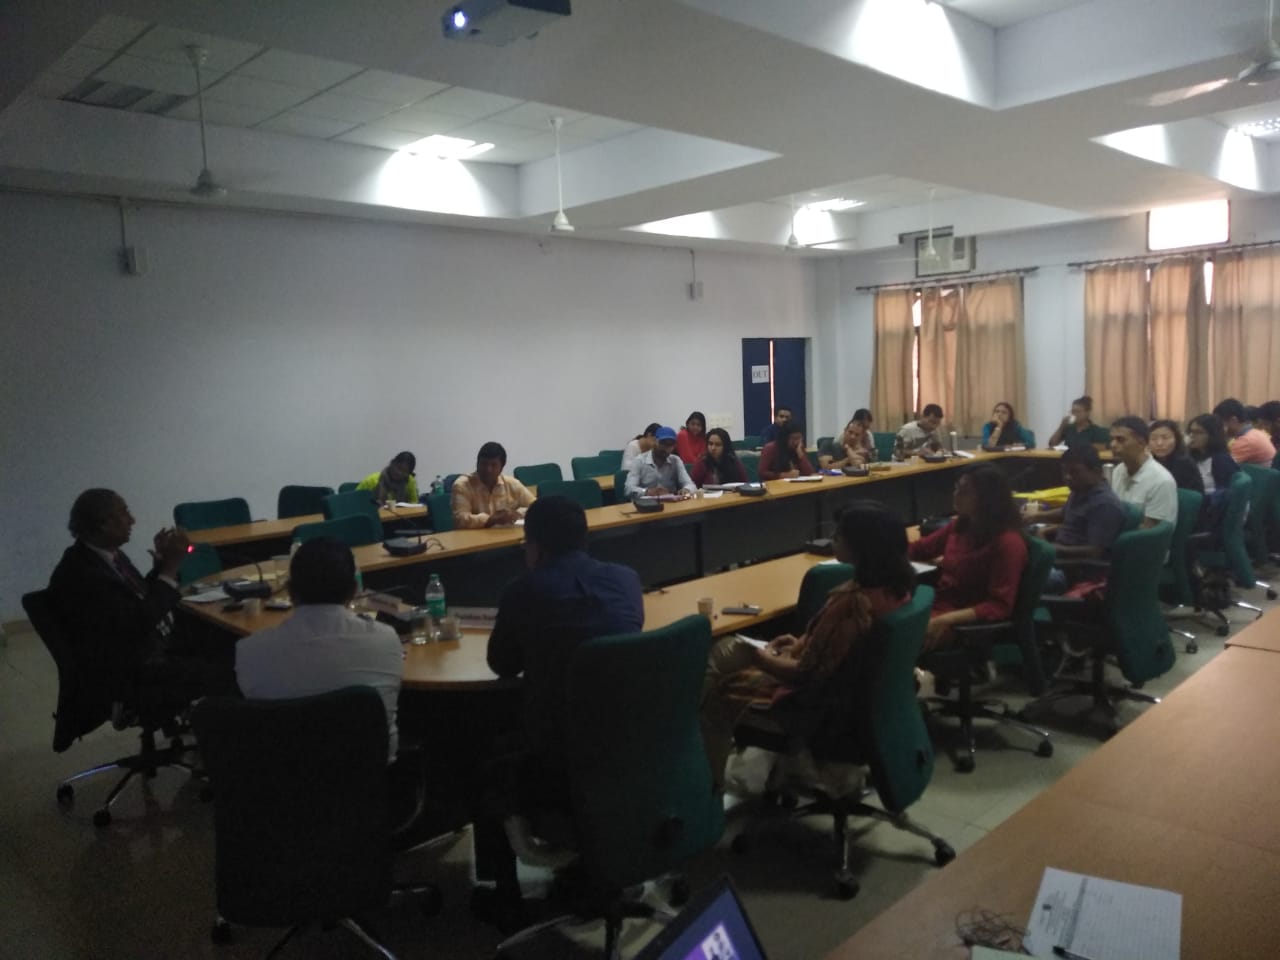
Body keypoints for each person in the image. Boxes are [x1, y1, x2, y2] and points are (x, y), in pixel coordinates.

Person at [480, 496, 644, 921]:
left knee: (483, 747)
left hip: (559, 762)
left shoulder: (522, 590)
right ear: (585, 538)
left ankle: (504, 897)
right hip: (631, 747)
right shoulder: (627, 580)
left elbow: (502, 664)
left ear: (533, 546)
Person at [700, 502, 914, 791]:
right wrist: (801, 642)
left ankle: (709, 791)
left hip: (813, 707)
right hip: (858, 699)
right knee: (727, 652)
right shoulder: (895, 589)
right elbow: (835, 649)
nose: (833, 538)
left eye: (840, 534)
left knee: (717, 687)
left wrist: (758, 657)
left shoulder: (851, 603)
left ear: (862, 547)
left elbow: (804, 673)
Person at [47, 489, 233, 710]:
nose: (132, 520)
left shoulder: (106, 555)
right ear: (104, 523)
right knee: (230, 670)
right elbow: (140, 622)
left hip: (151, 646)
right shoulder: (83, 573)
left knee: (230, 642)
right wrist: (171, 566)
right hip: (132, 668)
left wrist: (162, 567)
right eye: (124, 513)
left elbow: (137, 599)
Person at [235, 538, 403, 761]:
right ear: (354, 590)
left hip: (282, 771)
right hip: (367, 770)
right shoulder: (386, 640)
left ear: (290, 591)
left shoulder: (249, 652)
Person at [908, 466, 1028, 650]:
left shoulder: (1007, 542)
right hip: (938, 606)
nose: (955, 495)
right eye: (956, 488)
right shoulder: (962, 525)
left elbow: (999, 606)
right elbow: (920, 549)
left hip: (961, 621)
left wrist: (944, 620)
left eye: (964, 491)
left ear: (987, 499)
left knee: (894, 639)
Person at [1025, 445, 1128, 590]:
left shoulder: (1105, 504)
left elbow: (1094, 552)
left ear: (1096, 471)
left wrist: (1050, 549)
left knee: (1014, 575)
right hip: (1058, 559)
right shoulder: (1080, 489)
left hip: (1074, 572)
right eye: (1064, 471)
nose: (1067, 477)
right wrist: (1034, 517)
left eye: (1074, 472)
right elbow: (1065, 514)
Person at [1107, 416, 1177, 528]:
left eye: (1120, 440)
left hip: (1140, 538)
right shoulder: (1118, 470)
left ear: (1141, 442)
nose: (1113, 445)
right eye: (1112, 439)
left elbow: (1152, 530)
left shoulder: (1161, 480)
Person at [452, 441, 536, 528]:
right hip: (475, 536)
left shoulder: (512, 484)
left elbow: (537, 507)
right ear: (477, 464)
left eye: (493, 465)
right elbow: (460, 519)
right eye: (484, 464)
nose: (488, 469)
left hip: (506, 534)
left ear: (501, 468)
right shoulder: (462, 485)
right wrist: (491, 519)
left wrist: (517, 513)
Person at [1186, 413, 1240, 529]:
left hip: (1210, 516)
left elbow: (1224, 497)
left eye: (1198, 432)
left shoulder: (1221, 460)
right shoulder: (1194, 457)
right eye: (1191, 431)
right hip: (1197, 507)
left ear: (1213, 435)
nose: (1192, 436)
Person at [623, 425, 697, 498]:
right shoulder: (639, 461)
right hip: (645, 503)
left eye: (671, 445)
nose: (667, 448)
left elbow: (691, 485)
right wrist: (647, 491)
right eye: (663, 443)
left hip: (670, 502)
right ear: (655, 441)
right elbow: (628, 489)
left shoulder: (675, 460)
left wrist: (687, 489)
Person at [1213, 398, 1277, 465]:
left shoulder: (1245, 441)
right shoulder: (1254, 433)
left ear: (1233, 420)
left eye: (1221, 424)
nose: (1219, 429)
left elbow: (1222, 465)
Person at [1149, 419, 1203, 493]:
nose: (1159, 443)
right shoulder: (1147, 463)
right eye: (1153, 439)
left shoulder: (1185, 464)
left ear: (1177, 440)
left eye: (1165, 438)